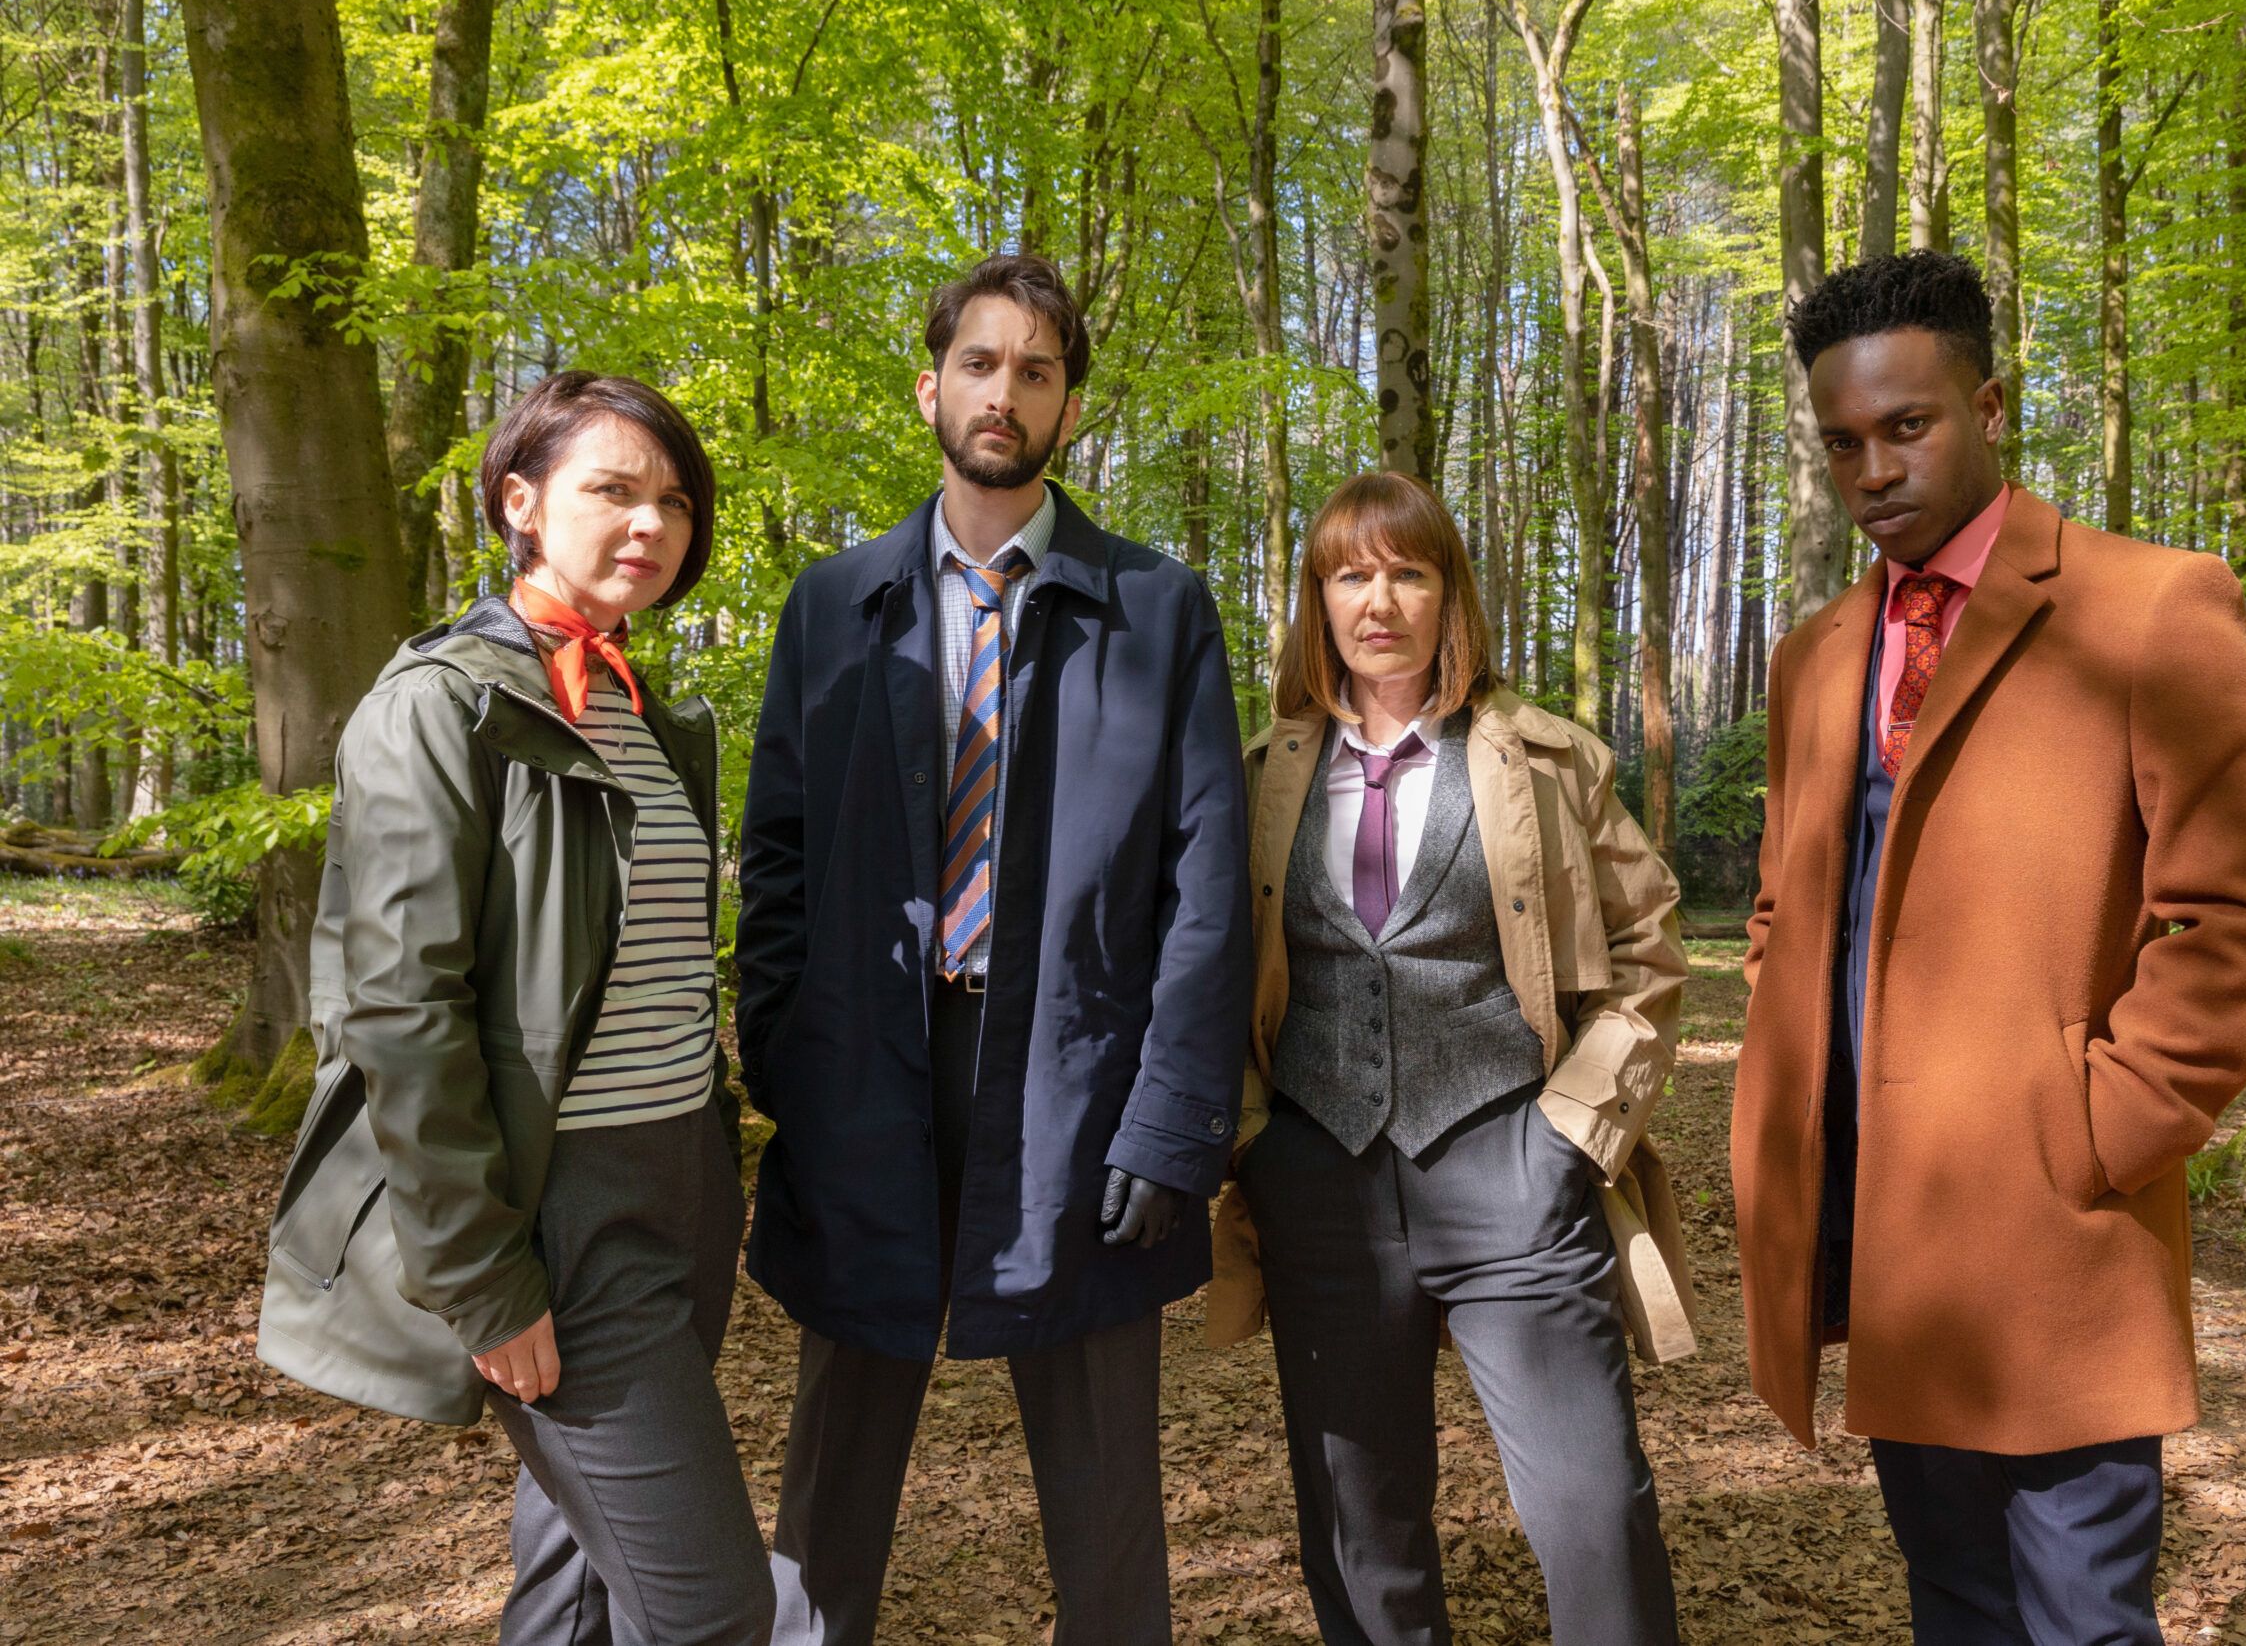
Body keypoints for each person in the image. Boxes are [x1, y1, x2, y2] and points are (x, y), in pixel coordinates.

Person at [1731, 251, 2246, 1645]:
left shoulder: (2148, 607)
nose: (1871, 467)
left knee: (2083, 1618)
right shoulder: (1818, 654)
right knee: (1957, 1602)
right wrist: (1796, 1045)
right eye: (1840, 442)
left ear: (1990, 405)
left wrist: (2097, 1119)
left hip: (2060, 1227)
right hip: (1882, 1222)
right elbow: (1783, 900)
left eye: (1906, 426)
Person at [736, 253, 1251, 1646]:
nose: (1003, 393)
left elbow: (1209, 889)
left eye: (1036, 370)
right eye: (979, 362)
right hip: (866, 1068)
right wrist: (785, 1051)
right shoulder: (832, 606)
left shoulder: (1156, 608)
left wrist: (1172, 1115)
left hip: (1075, 1071)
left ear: (1071, 405)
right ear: (932, 385)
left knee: (1101, 1474)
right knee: (833, 1464)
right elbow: (773, 857)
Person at [257, 371, 773, 1644]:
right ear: (521, 501)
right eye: (612, 490)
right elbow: (397, 1012)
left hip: (685, 1185)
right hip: (559, 1209)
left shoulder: (654, 722)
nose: (651, 524)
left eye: (675, 501)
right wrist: (484, 1277)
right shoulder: (442, 708)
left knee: (584, 1579)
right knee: (712, 1610)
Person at [1203, 472, 1697, 1646]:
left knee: (1592, 1509)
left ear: (1448, 594)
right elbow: (1197, 972)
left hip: (1512, 1176)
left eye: (1408, 572)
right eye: (1349, 574)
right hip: (1318, 1184)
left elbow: (1647, 947)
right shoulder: (1255, 774)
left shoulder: (1546, 760)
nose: (1380, 600)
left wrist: (1572, 1131)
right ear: (1316, 601)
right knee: (1359, 1524)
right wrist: (1255, 1135)